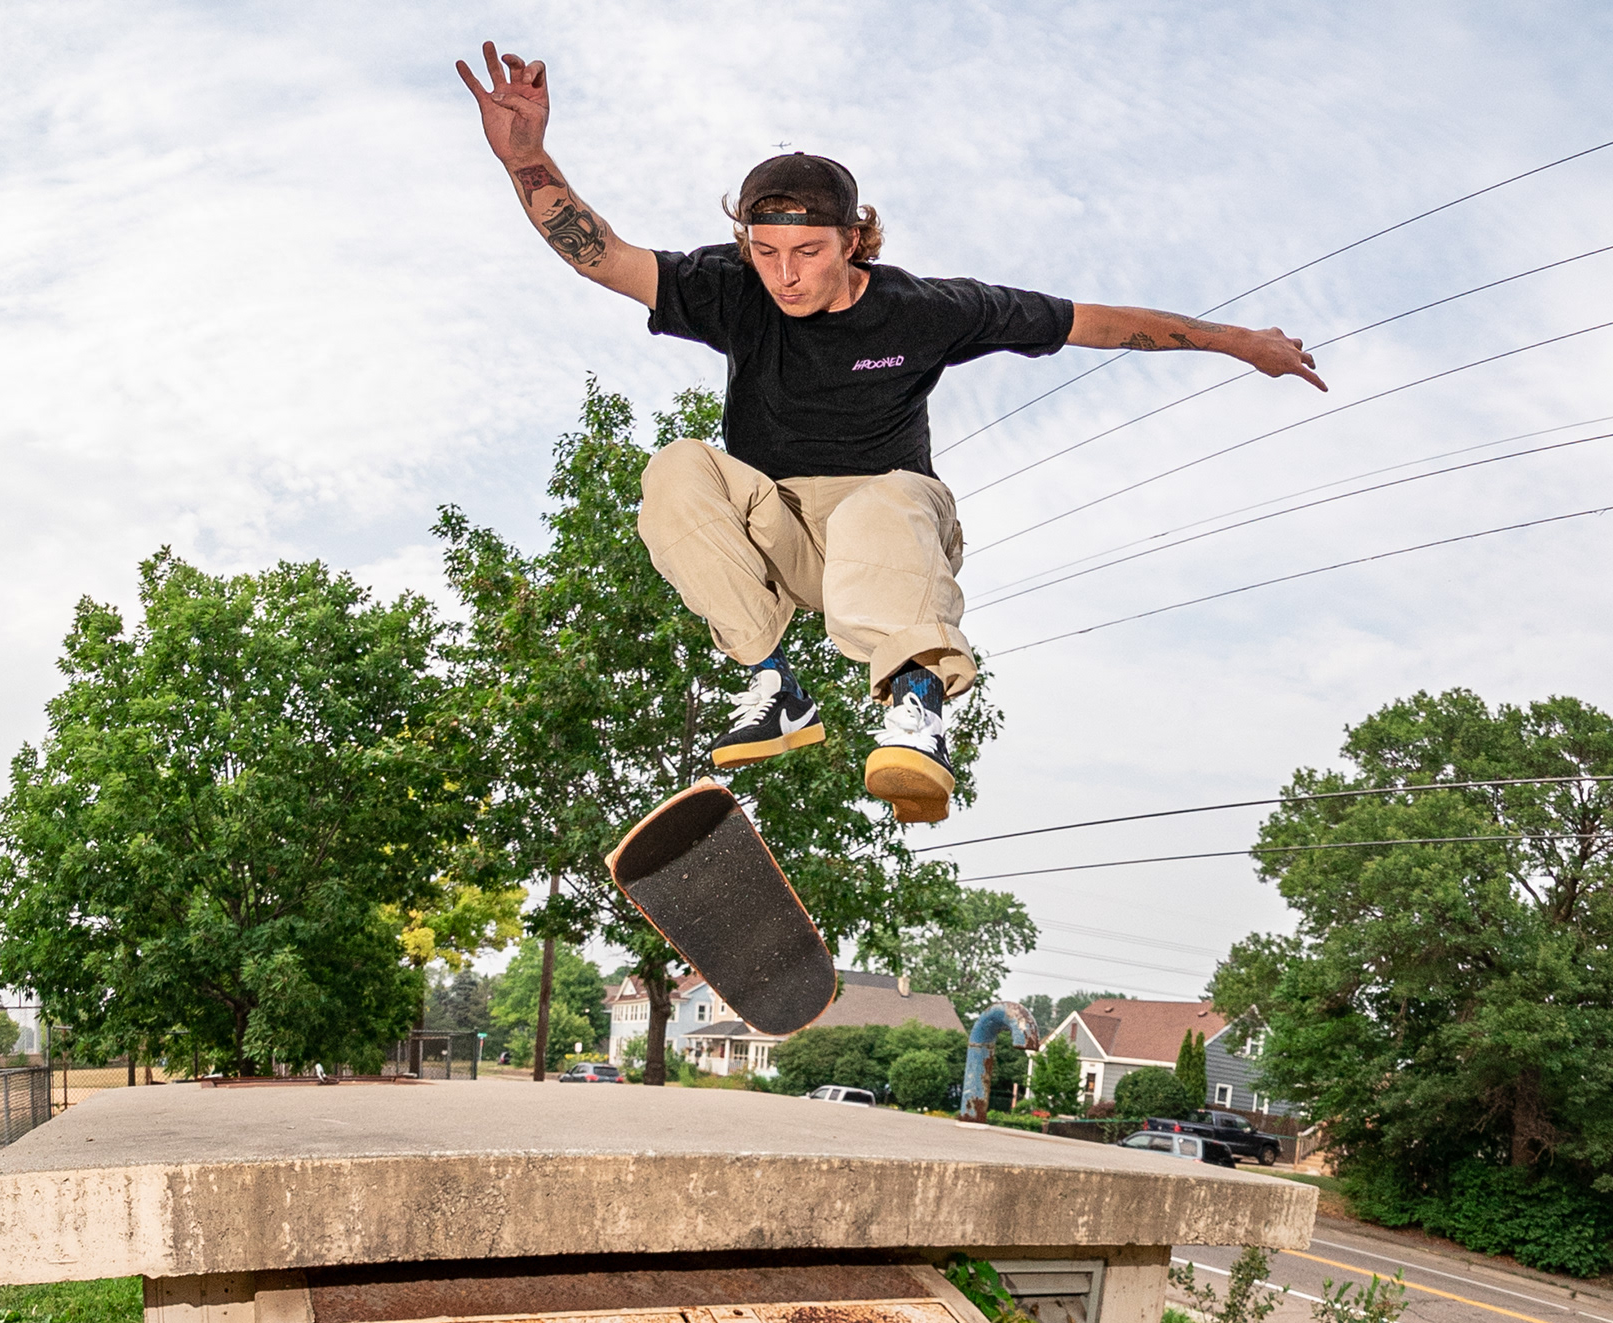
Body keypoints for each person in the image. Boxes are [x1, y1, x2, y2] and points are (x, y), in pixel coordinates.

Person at [459, 44, 1325, 823]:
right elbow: (601, 254)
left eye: (806, 254)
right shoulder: (733, 288)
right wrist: (527, 158)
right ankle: (773, 684)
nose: (784, 276)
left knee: (885, 498)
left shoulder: (927, 309)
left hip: (893, 533)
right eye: (764, 252)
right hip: (783, 538)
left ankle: (915, 702)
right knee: (678, 467)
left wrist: (1238, 341)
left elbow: (1089, 321)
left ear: (852, 240)